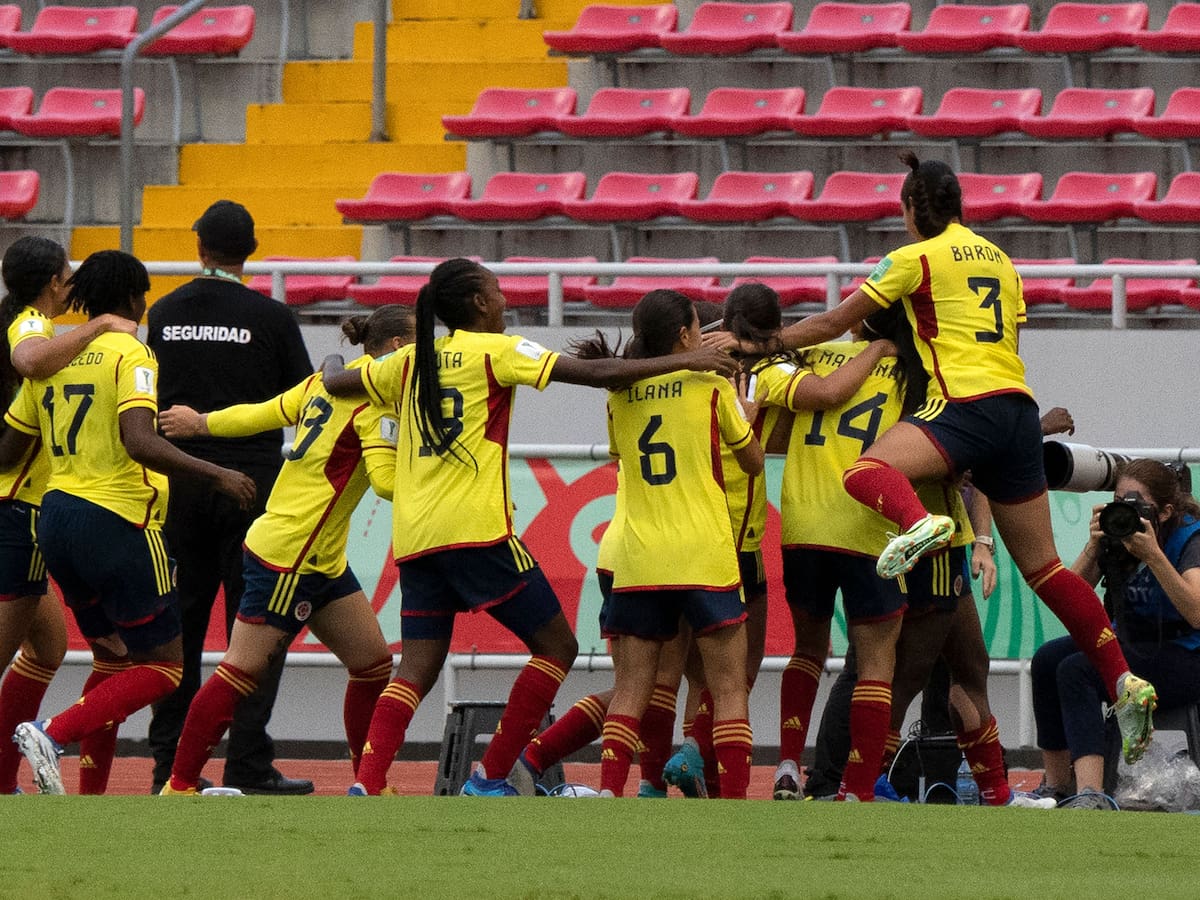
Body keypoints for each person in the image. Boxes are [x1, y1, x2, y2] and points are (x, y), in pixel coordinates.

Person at [707, 151, 1157, 767]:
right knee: (1048, 569)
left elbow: (838, 320)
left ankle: (920, 523)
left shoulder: (913, 258)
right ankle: (1124, 681)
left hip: (961, 409)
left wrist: (758, 342)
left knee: (868, 471)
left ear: (912, 207)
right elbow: (1008, 348)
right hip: (1016, 409)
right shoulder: (1001, 261)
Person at [322, 259, 738, 796]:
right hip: (478, 531)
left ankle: (367, 784)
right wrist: (695, 359)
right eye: (496, 292)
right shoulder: (496, 351)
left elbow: (335, 381)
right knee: (557, 646)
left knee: (417, 666)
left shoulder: (407, 361)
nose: (504, 301)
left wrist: (334, 352)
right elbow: (597, 375)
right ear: (478, 304)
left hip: (416, 535)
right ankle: (490, 777)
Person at [0, 250, 254, 794]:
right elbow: (140, 441)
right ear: (137, 298)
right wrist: (218, 475)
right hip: (118, 520)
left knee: (113, 658)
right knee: (166, 668)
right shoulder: (128, 351)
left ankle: (92, 796)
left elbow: (12, 447)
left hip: (55, 519)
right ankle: (51, 732)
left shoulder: (52, 356)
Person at [159, 307, 412, 794]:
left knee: (373, 663)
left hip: (319, 558)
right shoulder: (376, 405)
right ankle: (180, 783)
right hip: (289, 556)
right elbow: (383, 483)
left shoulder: (324, 384)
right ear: (400, 348)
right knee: (240, 671)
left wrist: (201, 423)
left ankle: (369, 784)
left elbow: (261, 412)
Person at [146, 200, 315, 796]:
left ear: (199, 247)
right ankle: (248, 763)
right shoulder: (270, 316)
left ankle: (169, 767)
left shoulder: (163, 313)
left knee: (179, 629)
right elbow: (303, 399)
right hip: (253, 490)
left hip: (183, 485)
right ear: (252, 249)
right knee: (257, 627)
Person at [584, 290, 762, 798]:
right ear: (687, 335)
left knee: (632, 689)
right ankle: (734, 804)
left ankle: (607, 793)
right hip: (705, 554)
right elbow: (750, 462)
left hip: (640, 559)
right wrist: (747, 417)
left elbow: (621, 457)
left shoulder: (618, 392)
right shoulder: (711, 386)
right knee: (727, 687)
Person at [0, 236, 140, 794]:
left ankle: (4, 784)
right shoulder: (30, 326)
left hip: (24, 507)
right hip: (16, 511)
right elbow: (31, 360)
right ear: (53, 284)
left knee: (48, 649)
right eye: (65, 275)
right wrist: (101, 324)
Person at [1033, 459, 1200, 810]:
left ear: (1166, 512)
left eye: (1136, 506)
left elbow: (1197, 613)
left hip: (1185, 657)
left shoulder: (1189, 538)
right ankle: (1057, 786)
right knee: (1048, 660)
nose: (1127, 514)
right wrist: (1093, 547)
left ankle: (1091, 794)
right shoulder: (1115, 535)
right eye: (1119, 503)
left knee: (1077, 670)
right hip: (1132, 646)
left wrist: (1153, 555)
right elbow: (1065, 601)